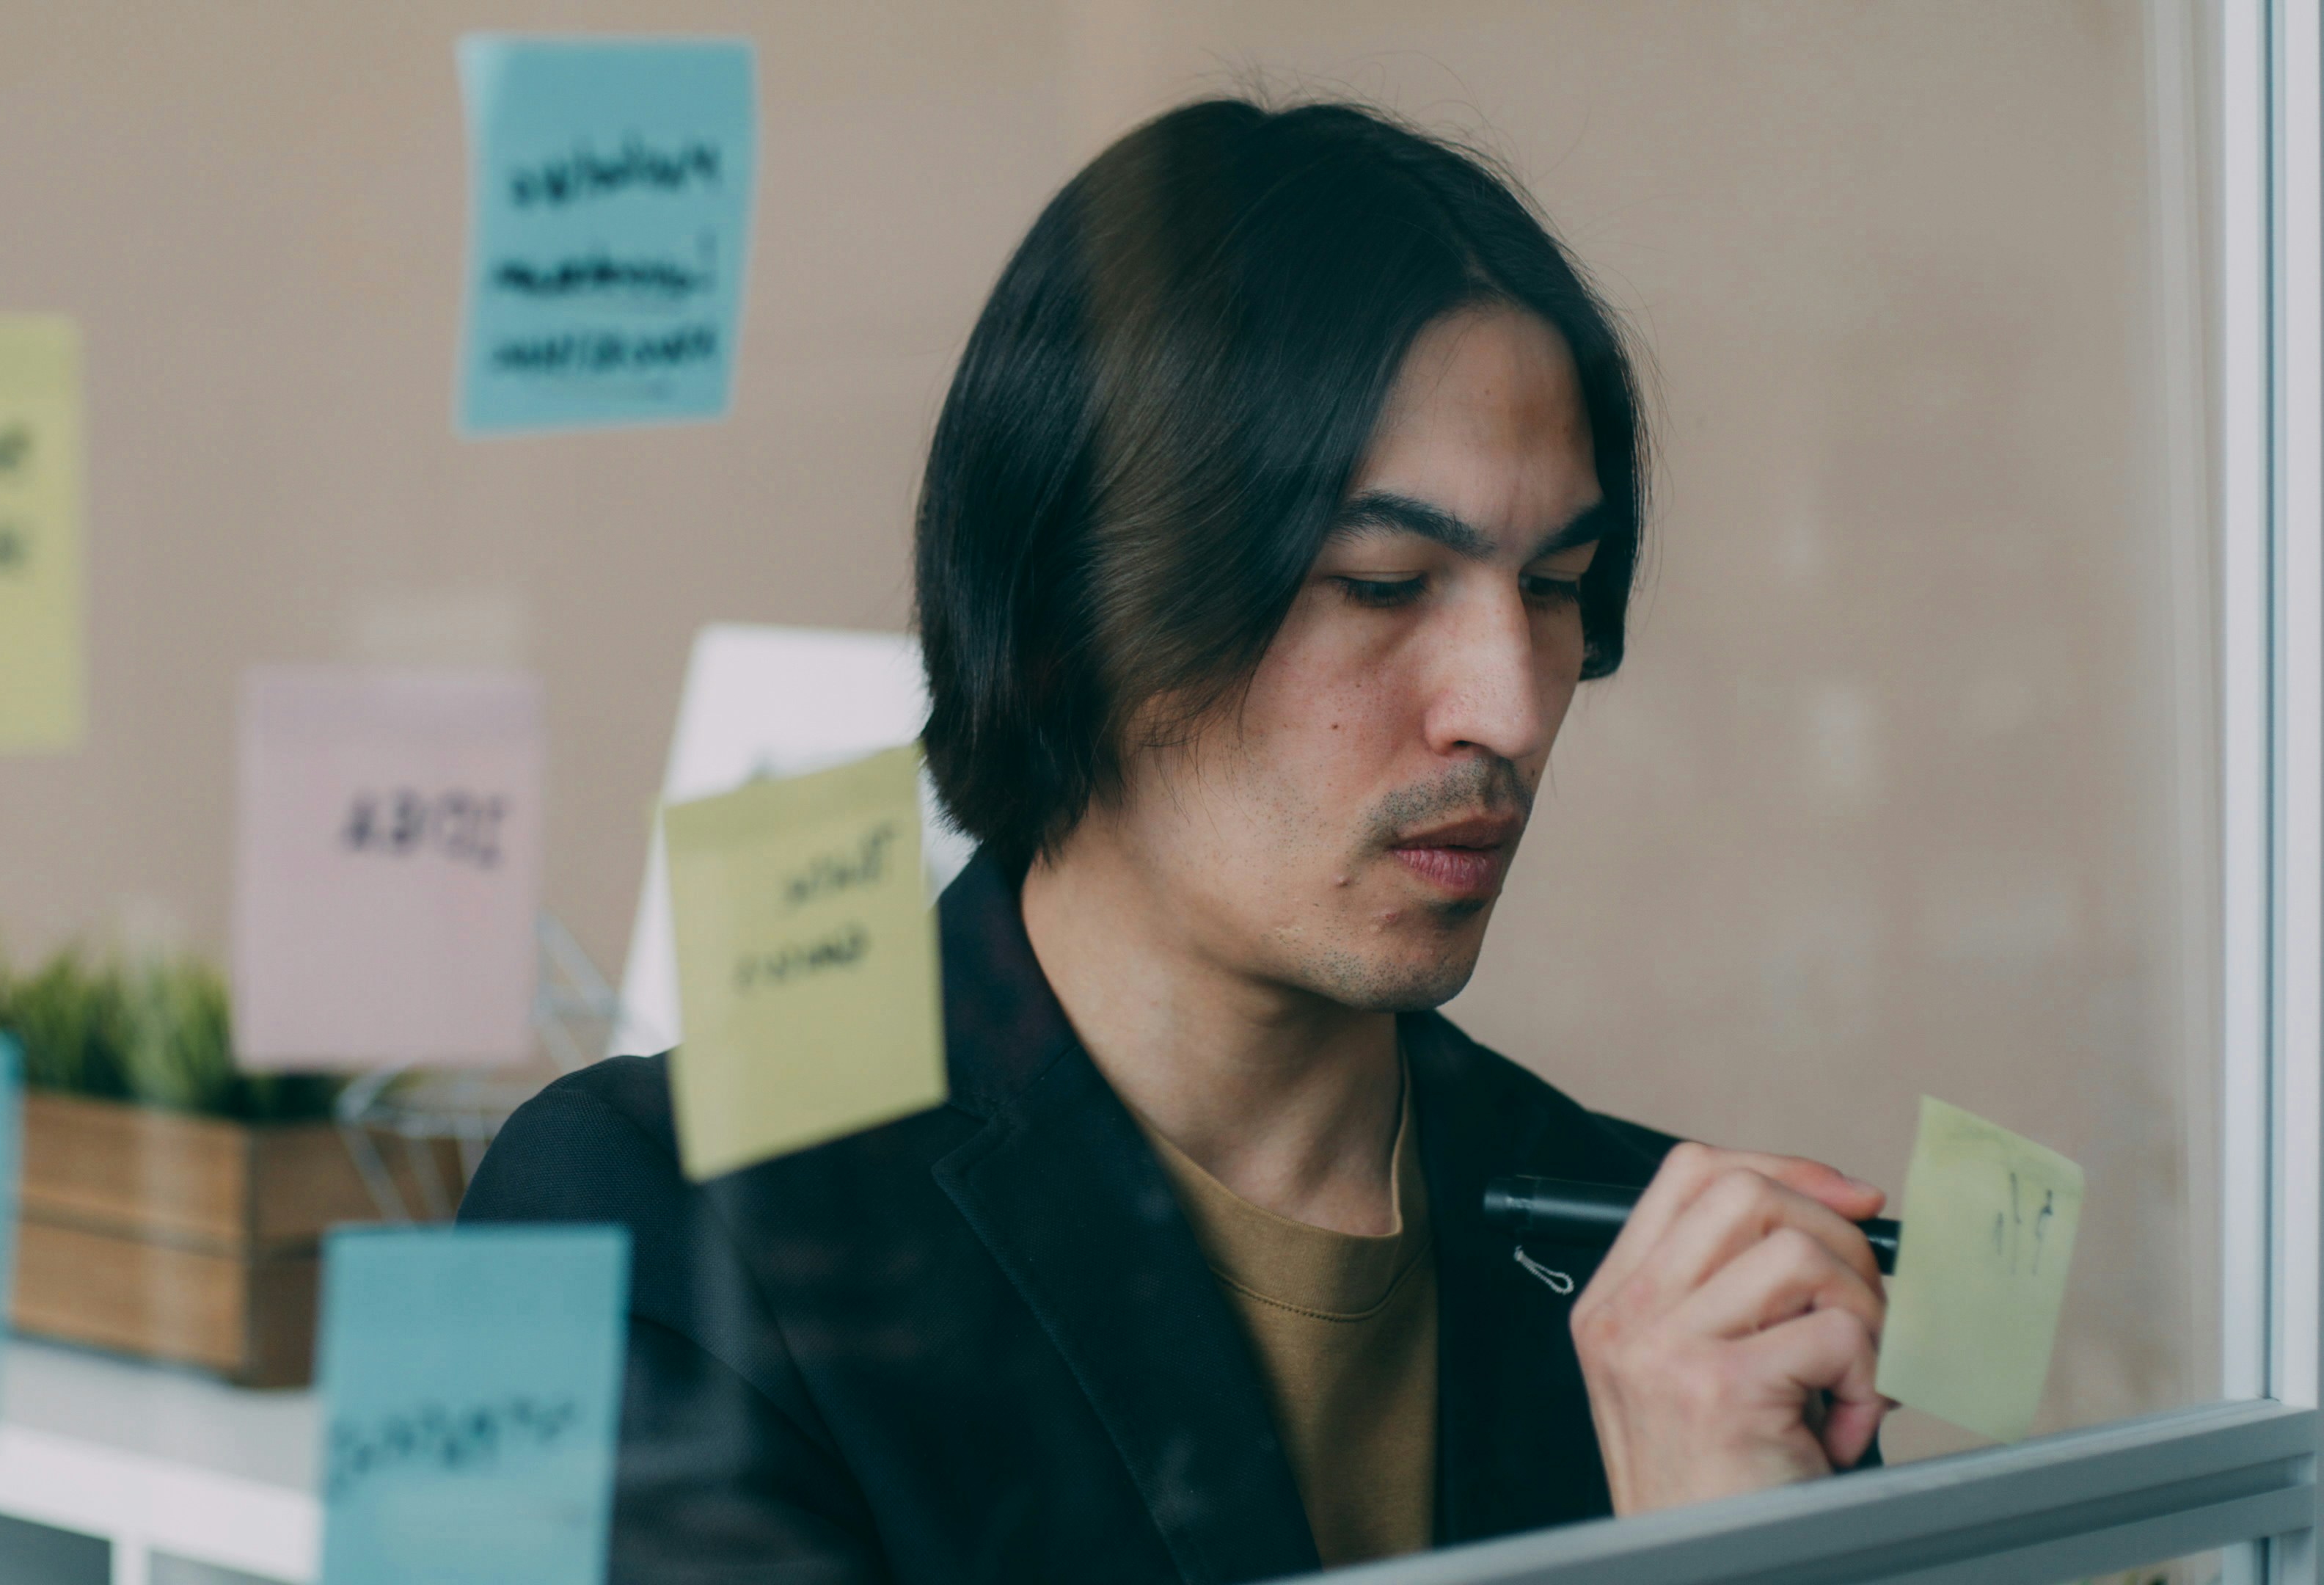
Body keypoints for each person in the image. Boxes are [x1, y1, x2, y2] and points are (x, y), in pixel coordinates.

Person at [461, 98, 1891, 1584]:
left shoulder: (1667, 1276)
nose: (1509, 705)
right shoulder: (645, 1221)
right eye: (1384, 582)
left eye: (1555, 586)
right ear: (1081, 622)